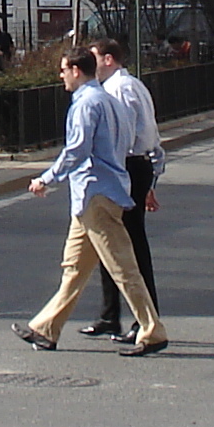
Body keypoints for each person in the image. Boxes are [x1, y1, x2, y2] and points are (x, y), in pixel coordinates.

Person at [13, 48, 165, 357]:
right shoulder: (111, 101)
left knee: (123, 268)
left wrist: (47, 178)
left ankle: (152, 331)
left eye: (63, 69)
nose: (61, 75)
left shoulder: (86, 103)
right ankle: (46, 329)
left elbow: (77, 149)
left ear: (76, 71)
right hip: (95, 196)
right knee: (74, 269)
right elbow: (125, 144)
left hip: (96, 194)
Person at [80, 38, 166, 342]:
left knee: (130, 246)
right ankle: (109, 315)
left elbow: (130, 134)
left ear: (108, 59)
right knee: (109, 242)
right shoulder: (129, 86)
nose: (90, 65)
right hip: (131, 167)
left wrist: (140, 181)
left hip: (127, 166)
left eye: (94, 58)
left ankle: (145, 318)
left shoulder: (121, 89)